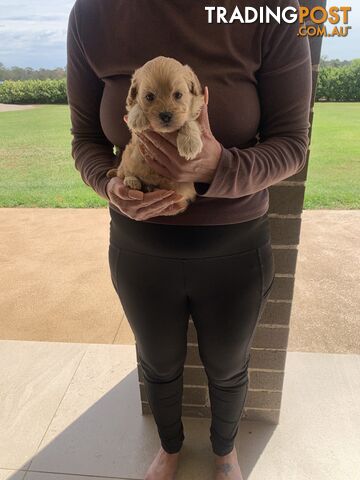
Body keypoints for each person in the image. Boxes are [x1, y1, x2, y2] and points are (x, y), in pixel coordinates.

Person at [66, 1, 312, 479]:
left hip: (234, 245)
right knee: (157, 363)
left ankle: (225, 451)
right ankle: (170, 448)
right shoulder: (93, 12)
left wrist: (217, 167)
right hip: (141, 247)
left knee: (227, 366)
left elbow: (293, 144)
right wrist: (110, 184)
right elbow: (84, 140)